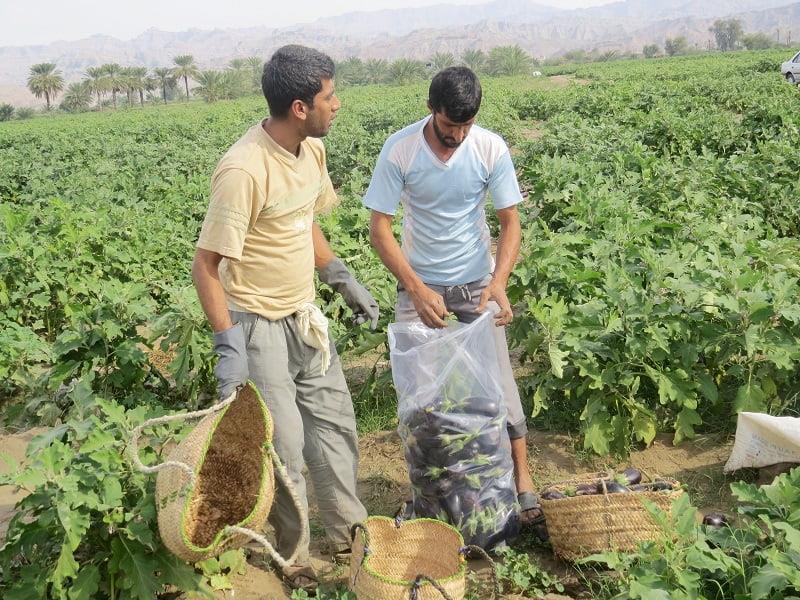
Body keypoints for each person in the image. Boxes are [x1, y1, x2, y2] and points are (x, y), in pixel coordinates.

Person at [191, 44, 377, 594]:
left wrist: (339, 275)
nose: (337, 105)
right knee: (285, 445)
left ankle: (350, 533)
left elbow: (304, 225)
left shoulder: (311, 152)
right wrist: (230, 348)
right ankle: (292, 554)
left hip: (303, 316)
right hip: (257, 325)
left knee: (336, 427)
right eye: (329, 96)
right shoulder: (243, 170)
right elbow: (206, 266)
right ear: (300, 107)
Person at [363, 66, 539, 526]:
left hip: (478, 283)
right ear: (430, 110)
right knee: (419, 397)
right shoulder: (400, 149)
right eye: (448, 126)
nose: (457, 135)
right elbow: (378, 229)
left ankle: (522, 482)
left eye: (466, 125)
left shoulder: (489, 147)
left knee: (501, 383)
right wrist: (416, 288)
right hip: (420, 285)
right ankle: (429, 492)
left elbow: (510, 222)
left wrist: (498, 282)